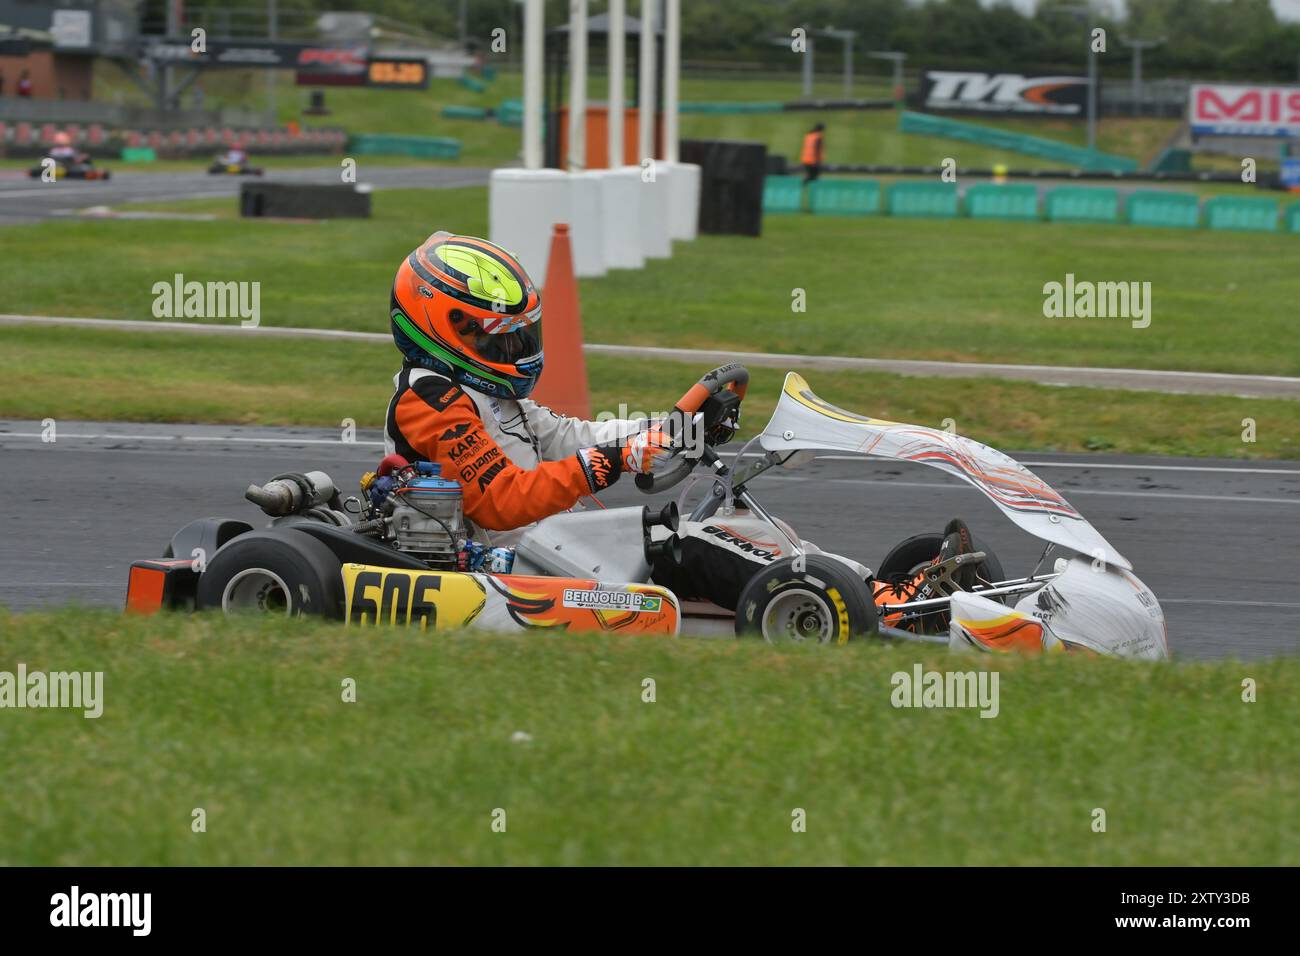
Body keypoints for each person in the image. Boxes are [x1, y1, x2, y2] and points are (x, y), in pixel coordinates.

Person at [383, 231, 980, 621]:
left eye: (521, 335)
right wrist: (613, 462)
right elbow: (498, 502)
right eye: (501, 337)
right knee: (683, 542)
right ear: (444, 330)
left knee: (731, 522)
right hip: (505, 567)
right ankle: (876, 606)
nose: (517, 348)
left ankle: (880, 588)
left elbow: (567, 436)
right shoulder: (431, 399)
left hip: (559, 545)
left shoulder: (486, 392)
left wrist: (664, 429)